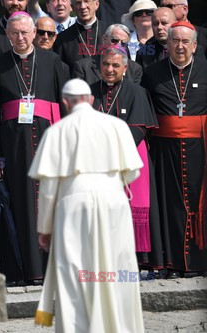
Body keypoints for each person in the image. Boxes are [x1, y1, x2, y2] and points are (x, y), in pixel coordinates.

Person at [31, 78, 144, 332]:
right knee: (116, 266)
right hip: (114, 201)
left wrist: (44, 228)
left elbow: (48, 188)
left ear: (65, 103)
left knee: (75, 272)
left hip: (74, 203)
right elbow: (133, 172)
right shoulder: (116, 125)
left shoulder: (57, 131)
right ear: (91, 100)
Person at [0, 12, 67, 284]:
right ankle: (27, 270)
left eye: (24, 32)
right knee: (20, 206)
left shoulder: (53, 61)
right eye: (14, 33)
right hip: (14, 148)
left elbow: (64, 108)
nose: (20, 38)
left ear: (34, 33)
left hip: (48, 144)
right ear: (7, 36)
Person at [141, 21, 207, 277]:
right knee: (170, 205)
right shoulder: (153, 73)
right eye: (175, 41)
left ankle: (201, 262)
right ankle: (173, 262)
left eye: (185, 42)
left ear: (195, 45)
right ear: (167, 45)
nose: (180, 46)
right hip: (164, 151)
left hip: (200, 148)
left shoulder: (204, 69)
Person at [90, 45, 163, 271]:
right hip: (97, 163)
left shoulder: (137, 92)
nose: (110, 69)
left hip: (130, 159)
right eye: (105, 64)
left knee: (135, 208)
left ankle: (138, 258)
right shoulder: (89, 92)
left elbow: (139, 128)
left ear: (125, 67)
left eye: (115, 65)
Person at [53, 0, 108, 73]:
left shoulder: (109, 32)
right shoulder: (63, 39)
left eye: (87, 1)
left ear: (96, 4)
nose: (83, 6)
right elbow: (60, 72)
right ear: (72, 7)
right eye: (78, 3)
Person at [73, 24, 143, 85]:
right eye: (114, 40)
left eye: (123, 43)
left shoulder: (135, 69)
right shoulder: (83, 67)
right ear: (104, 40)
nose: (119, 45)